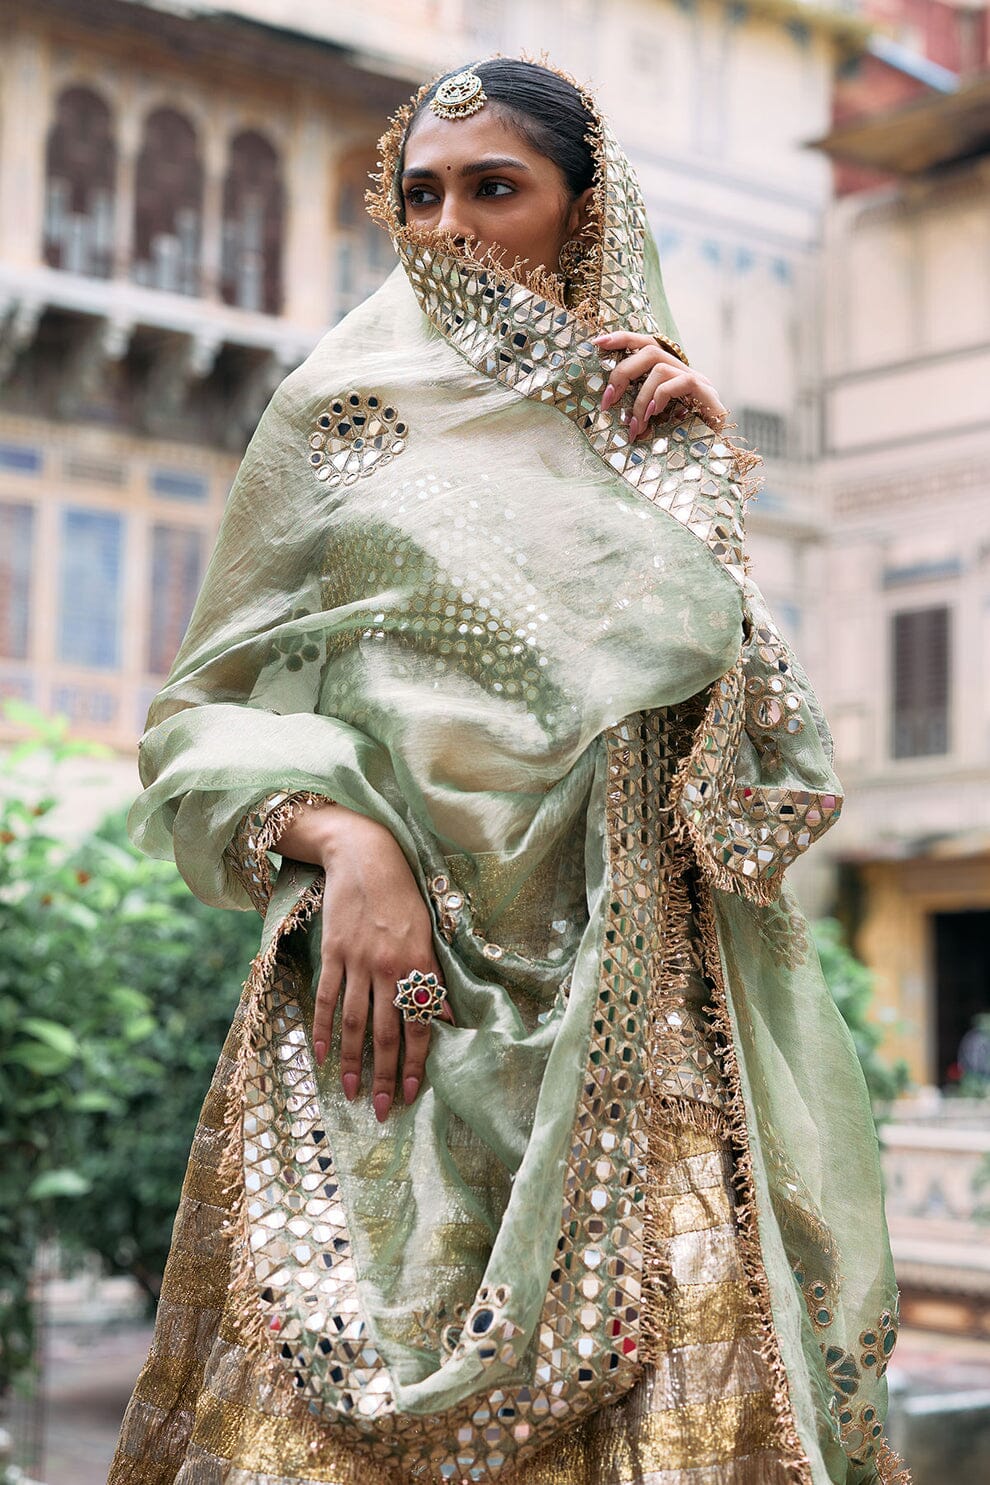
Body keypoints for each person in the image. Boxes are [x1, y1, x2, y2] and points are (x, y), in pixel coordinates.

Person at [108, 57, 908, 1485]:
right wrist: (341, 839)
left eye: (495, 188)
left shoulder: (643, 433)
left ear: (585, 212)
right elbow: (198, 711)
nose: (451, 229)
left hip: (635, 1023)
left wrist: (690, 484)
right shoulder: (334, 420)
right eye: (419, 195)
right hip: (385, 1015)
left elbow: (752, 786)